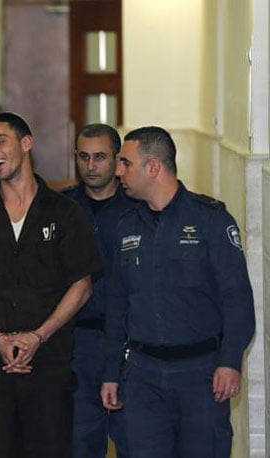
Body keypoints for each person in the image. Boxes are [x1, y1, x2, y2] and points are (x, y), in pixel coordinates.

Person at [0, 112, 103, 457]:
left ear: (26, 143)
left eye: (0, 141)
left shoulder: (64, 212)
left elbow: (82, 285)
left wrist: (38, 336)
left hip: (49, 363)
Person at [101, 126, 255, 457]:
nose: (117, 171)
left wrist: (230, 362)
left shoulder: (210, 220)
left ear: (153, 167)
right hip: (143, 378)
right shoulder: (126, 226)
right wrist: (111, 373)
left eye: (125, 163)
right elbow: (116, 307)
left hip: (201, 377)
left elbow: (237, 298)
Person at [61, 124, 131, 458]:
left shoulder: (139, 208)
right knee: (79, 441)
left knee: (137, 441)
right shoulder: (60, 209)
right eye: (84, 157)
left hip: (132, 345)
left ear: (118, 161)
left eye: (100, 157)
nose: (91, 166)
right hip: (78, 342)